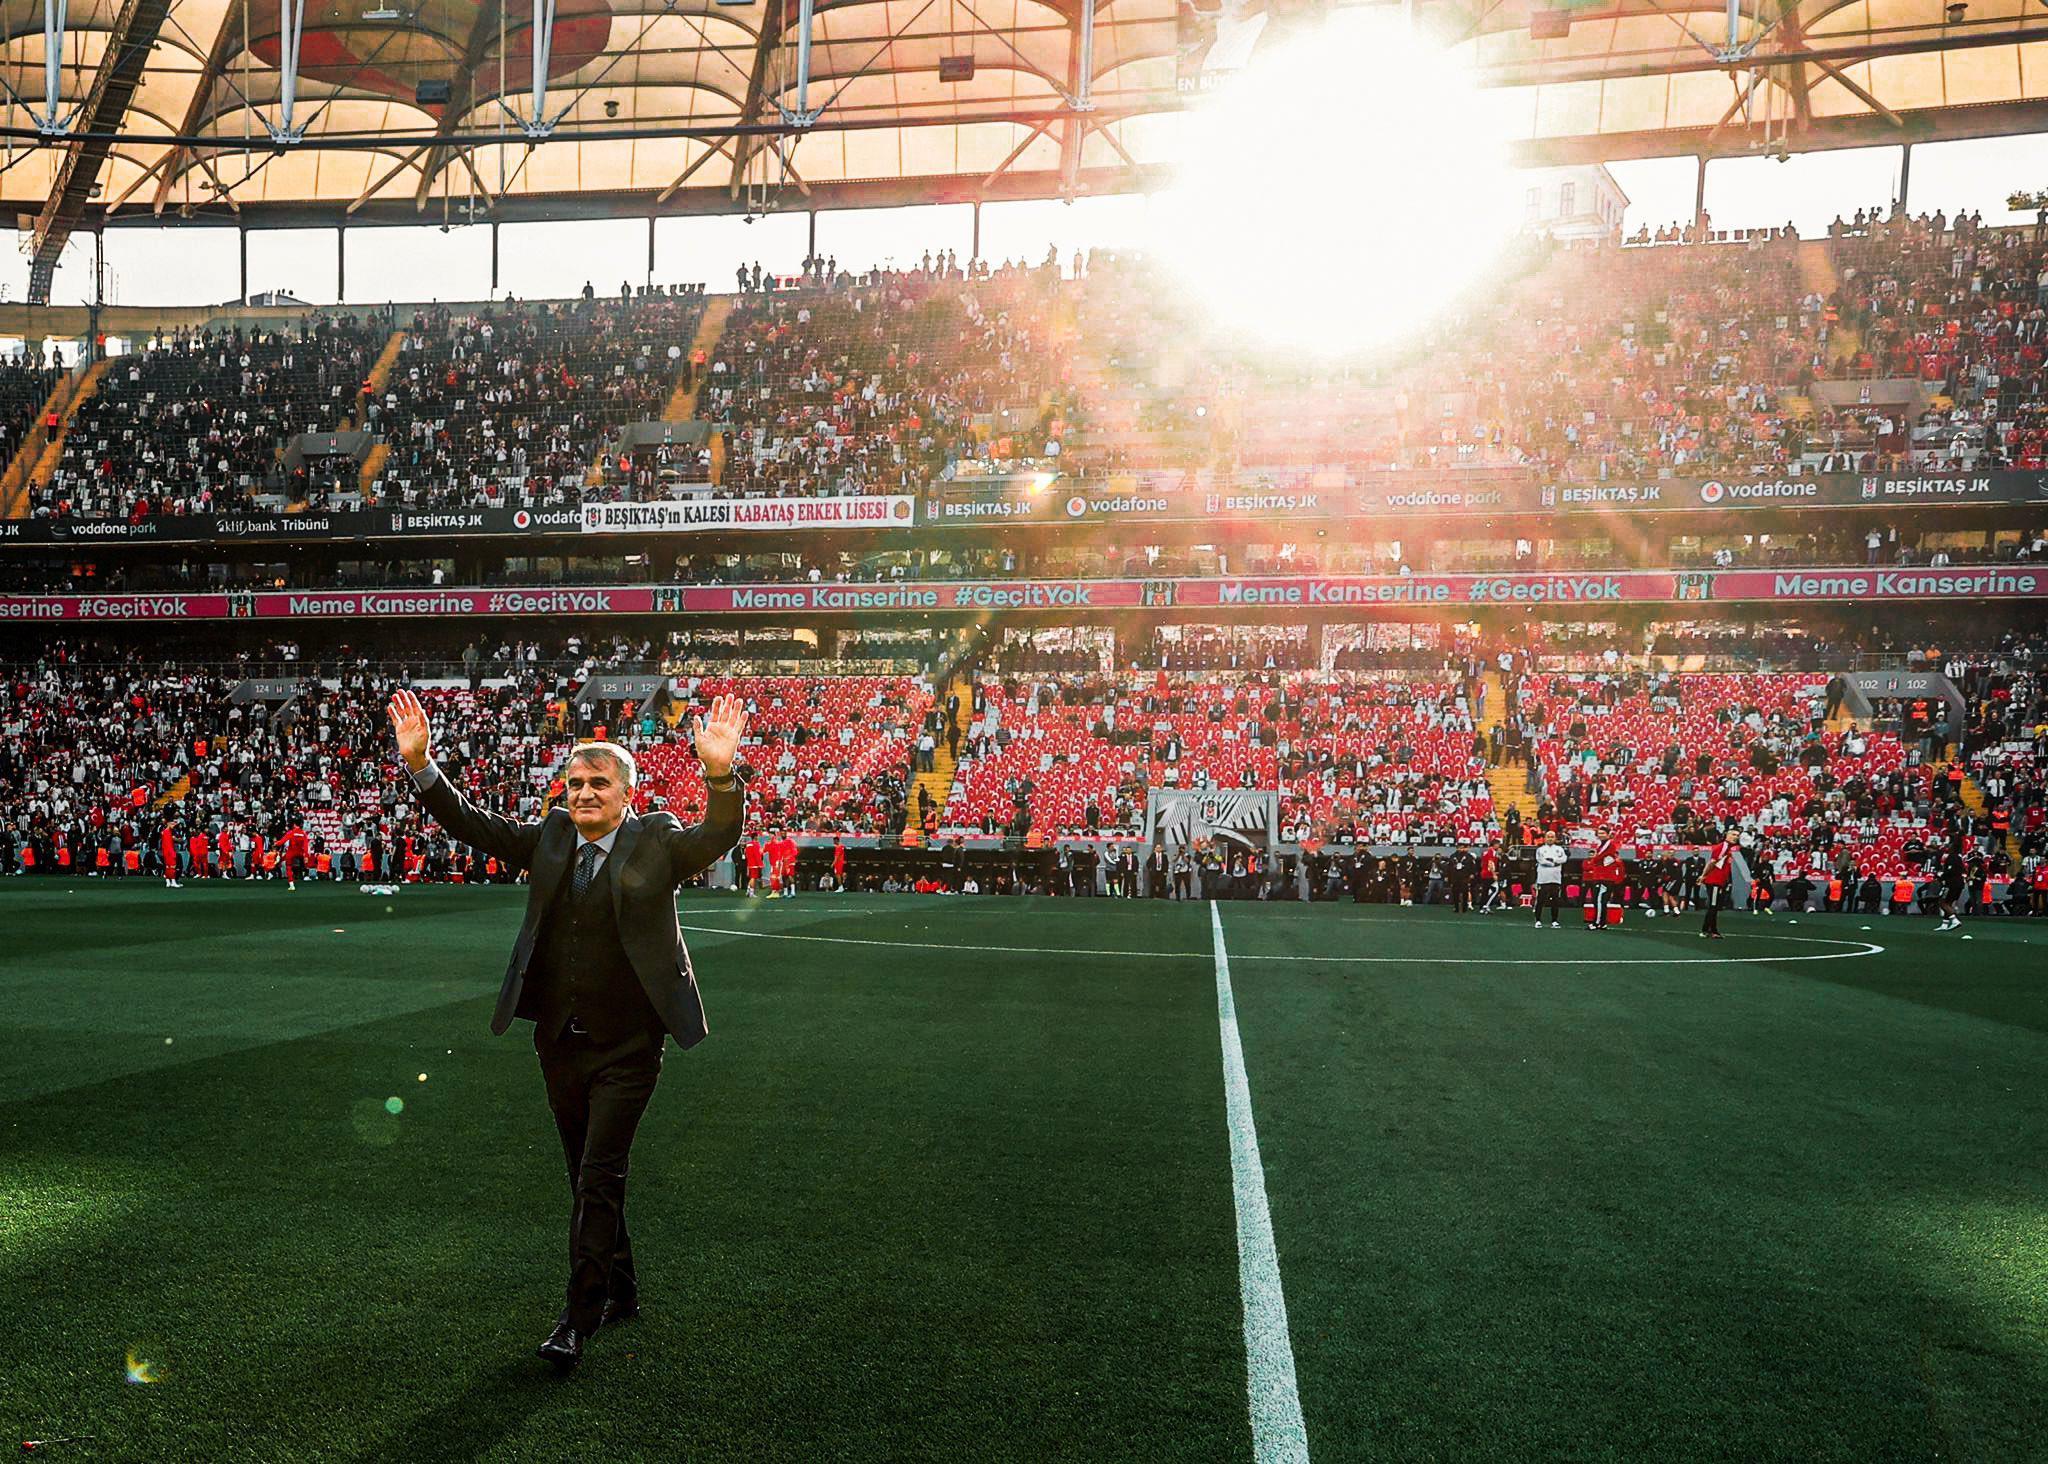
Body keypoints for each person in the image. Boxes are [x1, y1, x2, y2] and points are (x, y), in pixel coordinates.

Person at [386, 687, 748, 1371]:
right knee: (586, 1176)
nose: (582, 794)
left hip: (630, 1046)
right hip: (557, 1039)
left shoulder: (657, 838)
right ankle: (623, 1291)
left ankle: (577, 1321)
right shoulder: (552, 835)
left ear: (626, 793)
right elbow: (476, 826)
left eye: (598, 784)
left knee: (600, 1173)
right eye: (574, 783)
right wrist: (423, 766)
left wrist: (720, 775)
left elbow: (717, 836)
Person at [1701, 829, 1736, 939]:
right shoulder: (1723, 847)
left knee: (1714, 906)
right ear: (1727, 835)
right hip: (1714, 881)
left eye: (1737, 835)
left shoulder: (1728, 848)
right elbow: (1712, 862)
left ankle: (1708, 930)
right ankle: (1710, 931)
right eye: (1733, 834)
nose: (1736, 837)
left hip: (1719, 881)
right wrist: (1704, 875)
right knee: (1713, 906)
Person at [1533, 834, 1566, 927]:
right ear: (1545, 838)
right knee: (1540, 900)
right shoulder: (1540, 849)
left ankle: (1554, 920)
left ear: (1555, 838)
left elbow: (1564, 859)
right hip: (1543, 878)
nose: (1550, 839)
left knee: (1555, 900)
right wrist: (1553, 864)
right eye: (1548, 837)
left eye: (1552, 837)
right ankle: (1538, 920)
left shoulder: (1560, 849)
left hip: (1555, 878)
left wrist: (1554, 860)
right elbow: (1541, 860)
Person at [1934, 847, 1966, 933]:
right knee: (1949, 903)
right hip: (1959, 883)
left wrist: (1941, 876)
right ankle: (1945, 924)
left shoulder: (1952, 857)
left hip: (1952, 883)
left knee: (1942, 902)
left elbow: (1950, 870)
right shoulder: (1959, 858)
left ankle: (1955, 920)